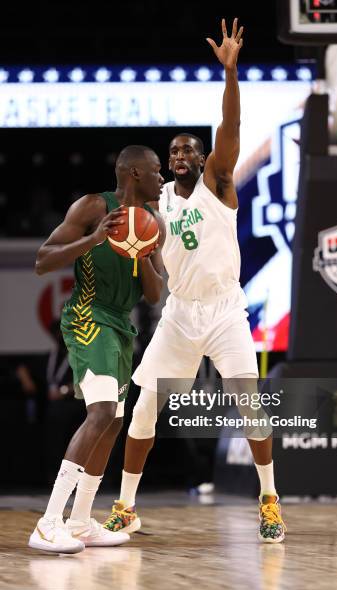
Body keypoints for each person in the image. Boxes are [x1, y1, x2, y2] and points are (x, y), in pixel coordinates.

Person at [103, 19, 286, 544]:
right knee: (143, 408)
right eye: (173, 152)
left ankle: (269, 500)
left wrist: (231, 73)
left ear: (202, 159)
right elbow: (158, 255)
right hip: (181, 313)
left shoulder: (218, 183)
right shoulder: (158, 202)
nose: (180, 157)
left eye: (188, 151)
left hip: (225, 310)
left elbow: (231, 125)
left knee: (249, 402)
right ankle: (125, 506)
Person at [29, 145, 165, 553]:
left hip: (123, 325)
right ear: (135, 173)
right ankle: (49, 521)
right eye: (157, 171)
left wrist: (145, 255)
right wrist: (94, 239)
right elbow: (42, 261)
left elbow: (155, 295)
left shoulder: (153, 222)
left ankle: (81, 521)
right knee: (101, 412)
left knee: (112, 422)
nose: (162, 178)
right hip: (89, 316)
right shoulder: (92, 206)